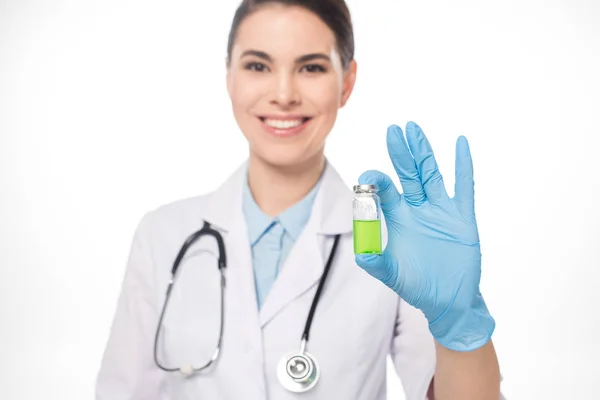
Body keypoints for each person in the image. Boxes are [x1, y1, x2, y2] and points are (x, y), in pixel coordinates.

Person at [95, 0, 504, 399]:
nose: (284, 93)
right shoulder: (162, 236)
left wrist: (458, 322)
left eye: (311, 67)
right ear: (229, 77)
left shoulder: (394, 245)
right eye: (258, 65)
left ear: (347, 82)